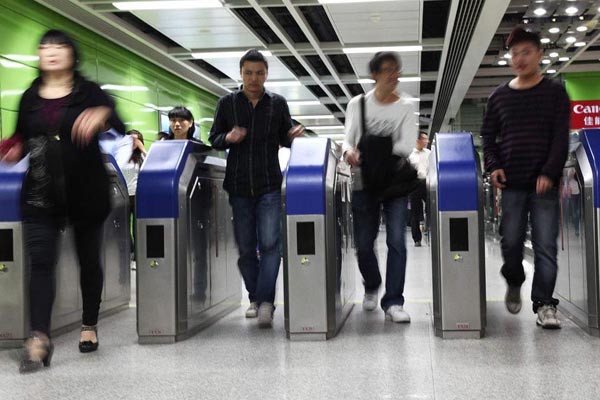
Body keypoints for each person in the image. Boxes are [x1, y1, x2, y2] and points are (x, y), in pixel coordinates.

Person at [0, 29, 125, 373]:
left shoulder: (89, 92)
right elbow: (21, 139)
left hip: (85, 191)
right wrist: (12, 150)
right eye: (45, 47)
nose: (51, 52)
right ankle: (39, 339)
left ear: (72, 54)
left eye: (59, 47)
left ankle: (89, 324)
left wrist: (101, 115)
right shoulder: (30, 96)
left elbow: (117, 123)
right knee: (40, 264)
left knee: (89, 261)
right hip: (40, 194)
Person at [481, 27, 570, 329]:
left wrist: (549, 171)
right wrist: (493, 165)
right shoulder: (499, 97)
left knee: (545, 245)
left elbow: (560, 137)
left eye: (526, 52)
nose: (519, 59)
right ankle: (515, 280)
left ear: (539, 54)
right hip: (512, 184)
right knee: (511, 243)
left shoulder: (555, 91)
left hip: (544, 183)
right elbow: (488, 137)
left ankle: (545, 304)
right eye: (514, 53)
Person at [209, 49, 304, 328]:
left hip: (269, 186)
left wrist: (292, 135)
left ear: (266, 74)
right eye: (249, 73)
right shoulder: (227, 104)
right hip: (238, 186)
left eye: (259, 73)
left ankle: (265, 303)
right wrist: (228, 137)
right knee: (246, 248)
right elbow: (214, 138)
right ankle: (254, 296)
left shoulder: (277, 103)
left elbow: (286, 138)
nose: (254, 78)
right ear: (240, 73)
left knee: (272, 244)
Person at [342, 52, 418, 323]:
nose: (393, 75)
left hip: (395, 183)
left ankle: (394, 301)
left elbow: (406, 146)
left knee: (397, 241)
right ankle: (372, 283)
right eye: (387, 70)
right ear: (374, 74)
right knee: (363, 243)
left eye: (396, 70)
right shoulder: (358, 104)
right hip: (365, 181)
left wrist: (371, 149)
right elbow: (347, 140)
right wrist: (350, 152)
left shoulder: (406, 107)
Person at [121, 130, 146, 262]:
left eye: (136, 140)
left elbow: (151, 165)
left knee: (137, 227)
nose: (133, 143)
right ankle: (128, 253)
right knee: (123, 227)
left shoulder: (141, 156)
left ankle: (138, 255)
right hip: (123, 195)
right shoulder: (120, 155)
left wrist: (142, 148)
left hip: (137, 195)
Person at [408, 132, 430, 247]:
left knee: (431, 208)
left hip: (428, 183)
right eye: (425, 139)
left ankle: (431, 233)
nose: (427, 141)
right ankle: (417, 239)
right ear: (418, 141)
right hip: (414, 184)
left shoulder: (430, 154)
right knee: (415, 213)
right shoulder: (410, 155)